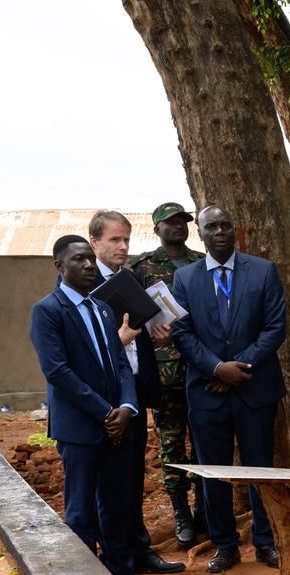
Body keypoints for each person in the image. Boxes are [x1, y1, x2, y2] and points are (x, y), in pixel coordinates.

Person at [29, 235, 152, 575]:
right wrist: (104, 411)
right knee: (81, 508)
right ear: (59, 267)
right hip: (80, 427)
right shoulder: (47, 311)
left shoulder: (101, 308)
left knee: (116, 504)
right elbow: (58, 372)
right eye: (78, 260)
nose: (86, 266)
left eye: (88, 259)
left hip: (117, 425)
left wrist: (128, 408)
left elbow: (120, 363)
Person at [170, 206, 288, 572]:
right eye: (211, 227)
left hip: (255, 388)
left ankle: (265, 541)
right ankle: (225, 545)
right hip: (207, 392)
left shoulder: (263, 271)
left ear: (235, 230)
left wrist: (239, 368)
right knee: (214, 472)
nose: (220, 231)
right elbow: (181, 332)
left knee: (260, 470)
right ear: (201, 235)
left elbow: (275, 327)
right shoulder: (184, 279)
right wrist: (217, 369)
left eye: (225, 225)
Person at [87, 209, 185, 575]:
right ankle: (118, 562)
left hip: (136, 394)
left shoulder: (129, 279)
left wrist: (153, 335)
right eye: (114, 240)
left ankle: (140, 549)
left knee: (133, 476)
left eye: (126, 239)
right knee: (110, 484)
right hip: (105, 402)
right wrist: (120, 341)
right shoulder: (83, 281)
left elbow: (137, 331)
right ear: (94, 242)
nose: (123, 247)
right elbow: (82, 348)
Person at [129, 202, 206, 548]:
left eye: (182, 221)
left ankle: (205, 510)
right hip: (165, 375)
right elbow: (129, 317)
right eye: (169, 223)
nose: (177, 227)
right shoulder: (141, 267)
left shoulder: (201, 264)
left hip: (201, 369)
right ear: (156, 229)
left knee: (206, 445)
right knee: (173, 447)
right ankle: (182, 515)